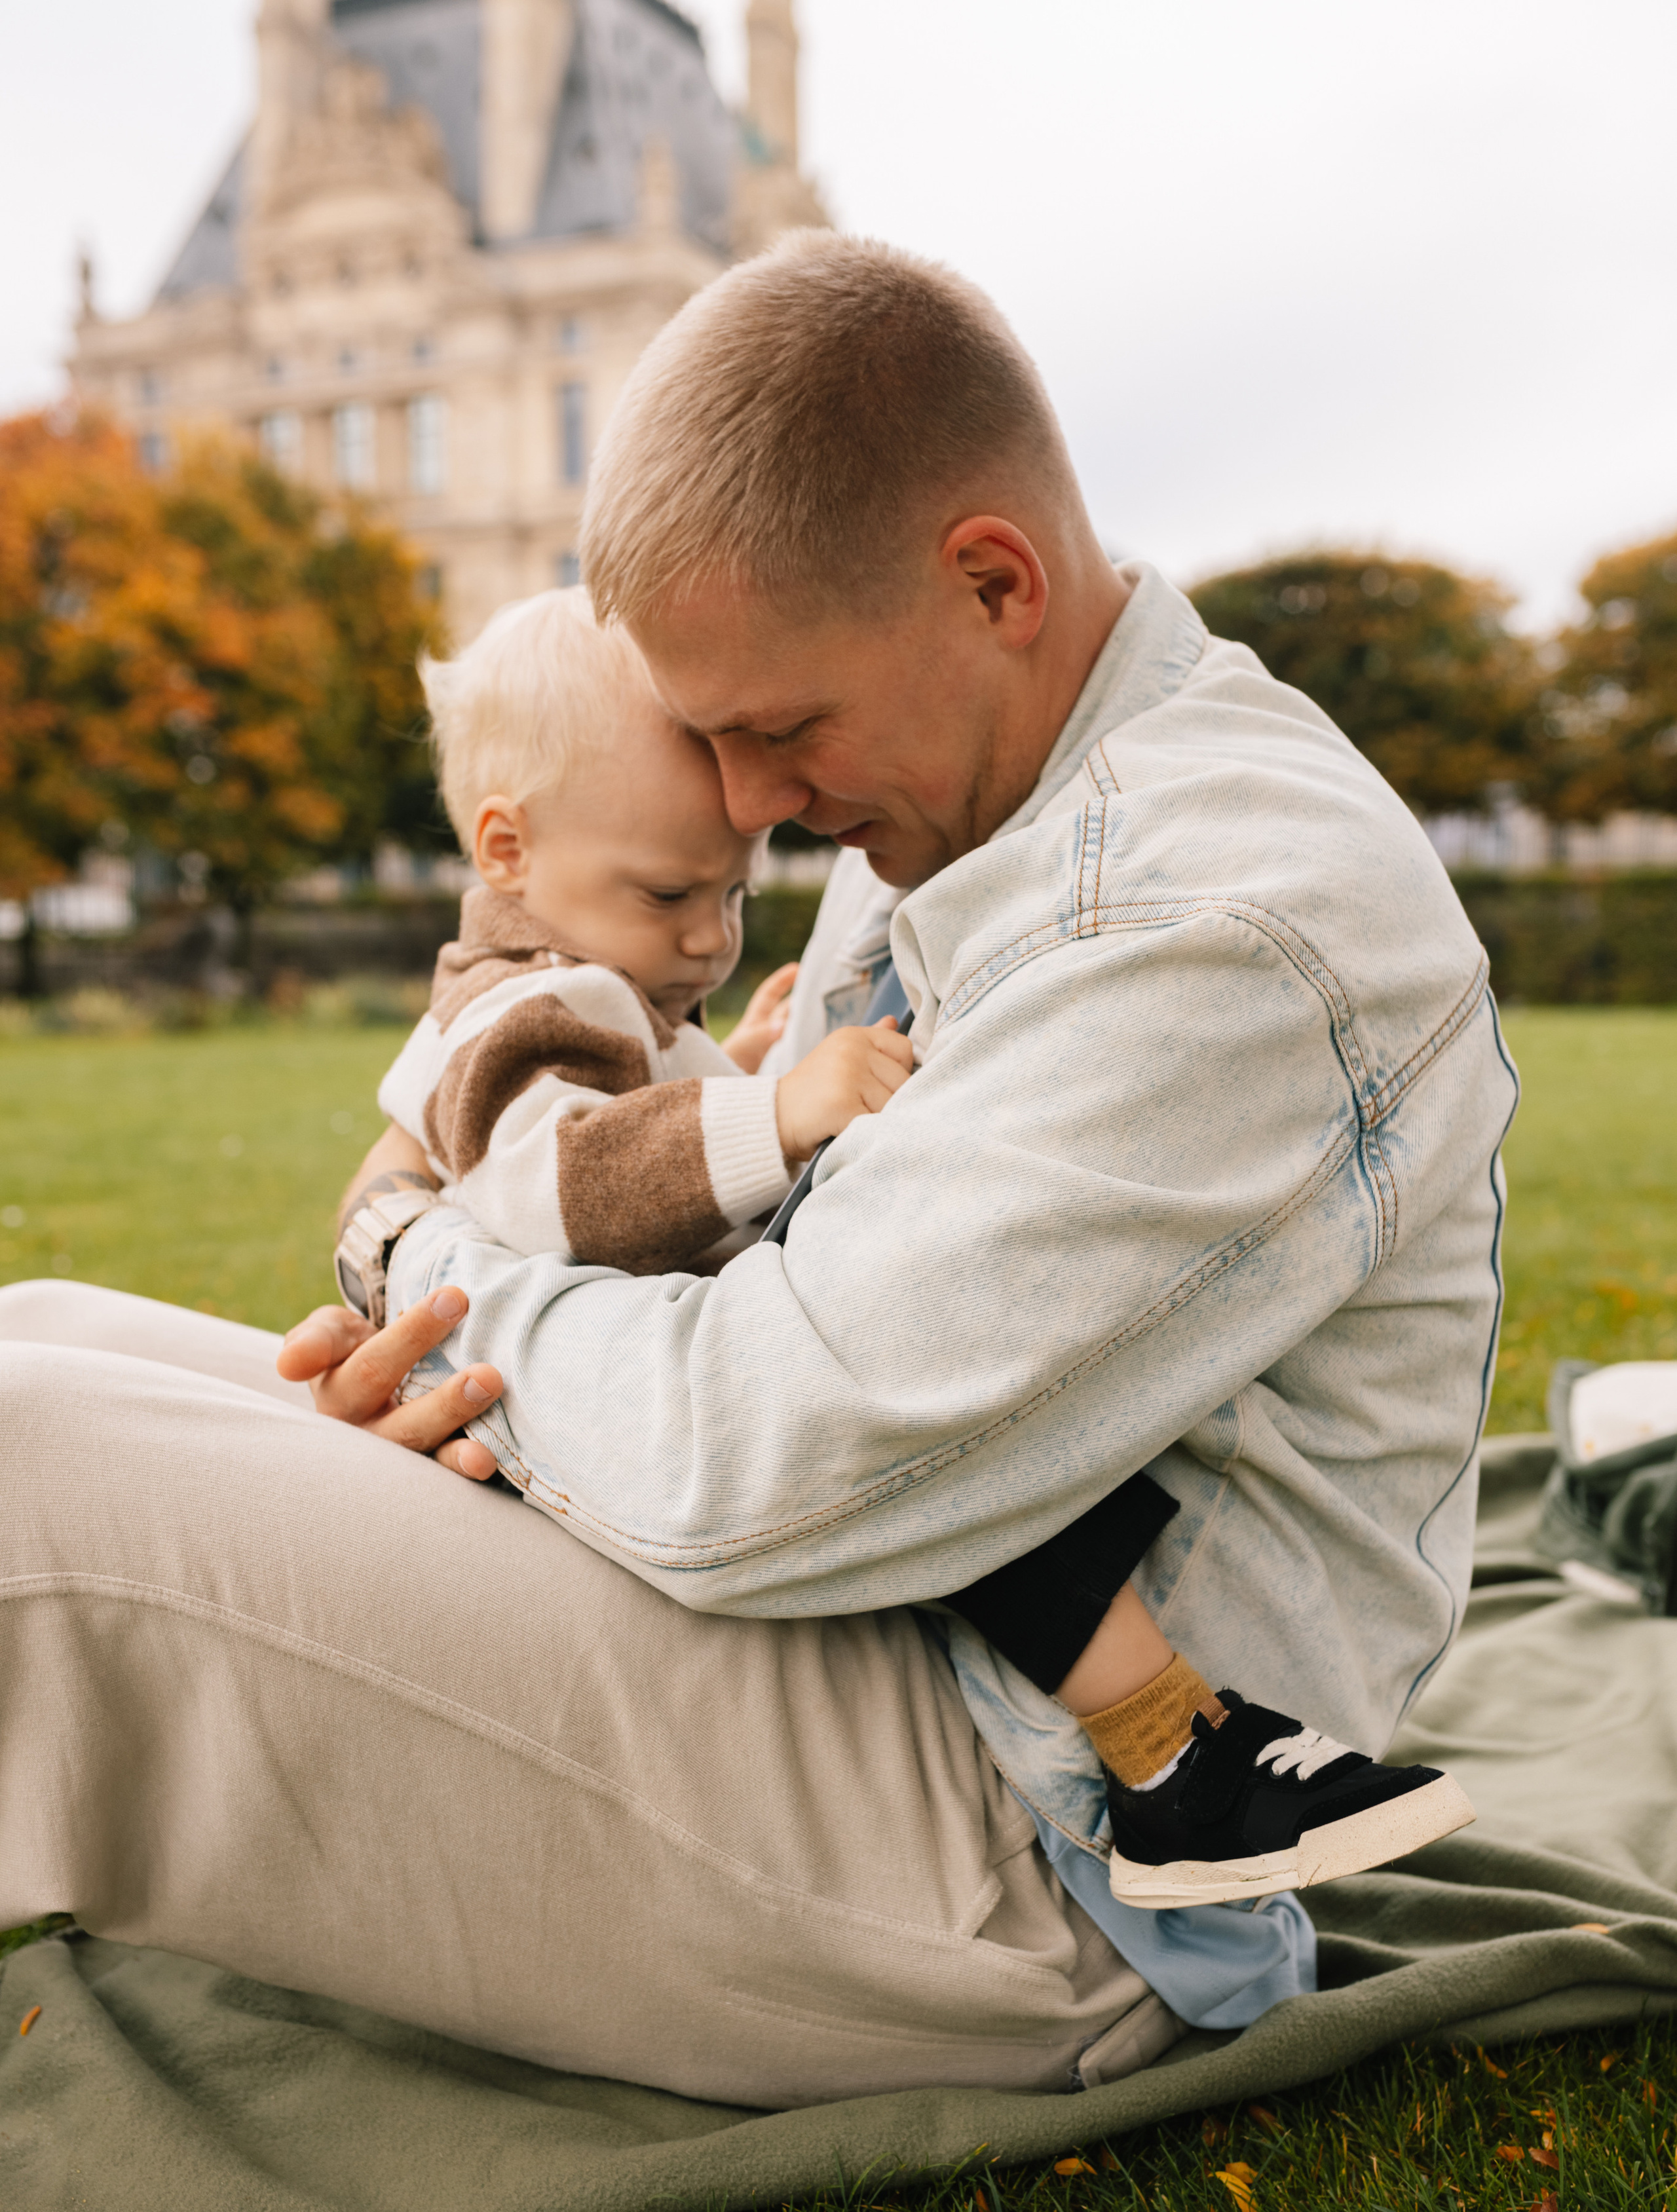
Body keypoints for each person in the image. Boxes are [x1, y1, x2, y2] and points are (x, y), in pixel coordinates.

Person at [0, 233, 1515, 2103]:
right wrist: (488, 1395)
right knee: (41, 1331)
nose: (741, 813)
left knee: (23, 1470)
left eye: (773, 733)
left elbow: (742, 1463)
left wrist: (416, 1262)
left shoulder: (1217, 918)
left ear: (991, 581)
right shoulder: (967, 787)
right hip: (858, 1634)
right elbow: (724, 1247)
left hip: (1016, 1846)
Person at [348, 579, 1473, 1924]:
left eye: (730, 897)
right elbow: (567, 1173)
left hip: (670, 1391)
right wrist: (770, 1105)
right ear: (506, 850)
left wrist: (733, 1056)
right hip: (652, 1414)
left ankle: (1180, 1750)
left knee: (995, 1473)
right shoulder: (528, 1002)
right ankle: (1174, 1755)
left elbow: (613, 1130)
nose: (709, 935)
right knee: (993, 1500)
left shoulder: (608, 983)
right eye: (671, 892)